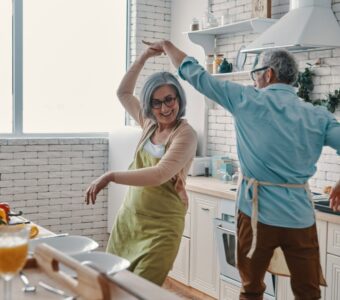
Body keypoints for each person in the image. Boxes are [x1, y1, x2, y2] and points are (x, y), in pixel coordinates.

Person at [144, 40, 340, 299]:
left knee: (251, 289)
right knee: (308, 292)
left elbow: (197, 75)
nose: (255, 81)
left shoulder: (246, 99)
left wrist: (168, 46)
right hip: (300, 218)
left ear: (268, 74)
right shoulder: (317, 115)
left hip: (255, 215)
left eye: (256, 74)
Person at [85, 46, 197, 286]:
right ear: (149, 106)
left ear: (179, 98)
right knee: (112, 285)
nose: (165, 108)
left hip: (162, 227)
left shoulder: (185, 135)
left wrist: (111, 176)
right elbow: (123, 92)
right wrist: (144, 57)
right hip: (129, 221)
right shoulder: (149, 124)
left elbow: (160, 174)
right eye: (156, 103)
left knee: (139, 290)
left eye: (169, 99)